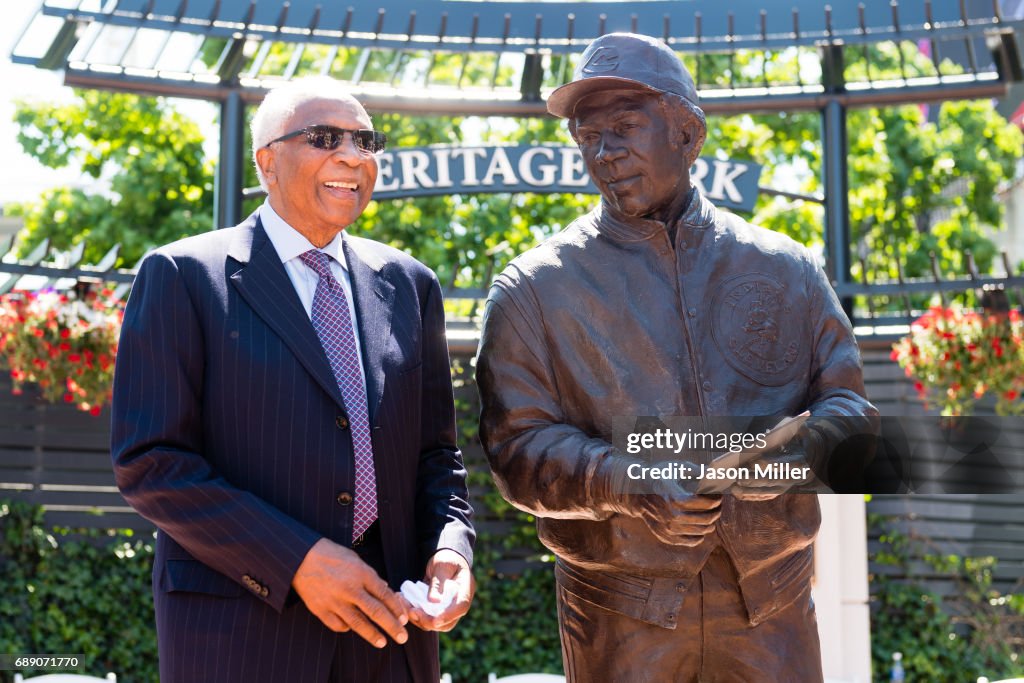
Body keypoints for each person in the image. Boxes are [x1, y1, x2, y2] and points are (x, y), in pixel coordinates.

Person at [476, 33, 877, 682]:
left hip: (770, 604)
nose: (604, 153)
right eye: (587, 136)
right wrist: (627, 480)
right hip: (620, 615)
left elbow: (850, 410)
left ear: (688, 135)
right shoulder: (532, 290)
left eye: (626, 128)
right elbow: (514, 449)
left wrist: (784, 459)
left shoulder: (788, 270)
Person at [111, 77, 475, 683]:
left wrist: (450, 548)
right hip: (242, 639)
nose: (353, 156)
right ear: (267, 161)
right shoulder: (181, 276)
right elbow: (150, 462)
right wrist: (298, 559)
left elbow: (437, 455)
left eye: (366, 140)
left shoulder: (411, 285)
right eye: (325, 138)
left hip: (389, 636)